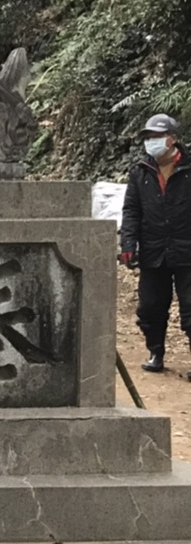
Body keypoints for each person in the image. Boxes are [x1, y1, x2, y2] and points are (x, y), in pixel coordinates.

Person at [120, 113, 191, 374]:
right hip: (153, 250)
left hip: (187, 249)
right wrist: (128, 244)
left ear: (172, 139)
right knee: (150, 307)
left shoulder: (187, 169)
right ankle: (155, 352)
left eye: (156, 137)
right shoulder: (141, 172)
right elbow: (131, 210)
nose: (151, 142)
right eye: (148, 138)